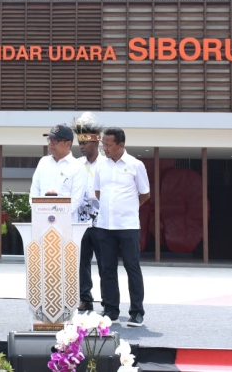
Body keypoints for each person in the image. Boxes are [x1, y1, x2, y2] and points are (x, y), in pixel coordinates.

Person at [94, 127, 150, 327]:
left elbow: (145, 194)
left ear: (121, 145)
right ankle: (111, 310)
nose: (105, 148)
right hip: (104, 225)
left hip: (128, 225)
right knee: (107, 268)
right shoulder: (101, 166)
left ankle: (137, 311)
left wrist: (128, 208)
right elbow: (98, 191)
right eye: (104, 144)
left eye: (109, 145)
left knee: (131, 266)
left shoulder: (136, 165)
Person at [71, 112, 105, 313]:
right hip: (81, 221)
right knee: (81, 263)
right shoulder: (76, 164)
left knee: (104, 264)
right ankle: (85, 298)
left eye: (86, 143)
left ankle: (108, 300)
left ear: (96, 141)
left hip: (102, 222)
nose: (82, 146)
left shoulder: (106, 163)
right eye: (80, 143)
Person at [29, 124, 86, 215]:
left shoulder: (78, 167)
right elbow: (34, 192)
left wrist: (55, 215)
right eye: (49, 139)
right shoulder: (43, 162)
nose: (50, 144)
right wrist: (39, 212)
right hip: (42, 219)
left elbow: (76, 200)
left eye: (55, 140)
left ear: (68, 144)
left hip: (66, 221)